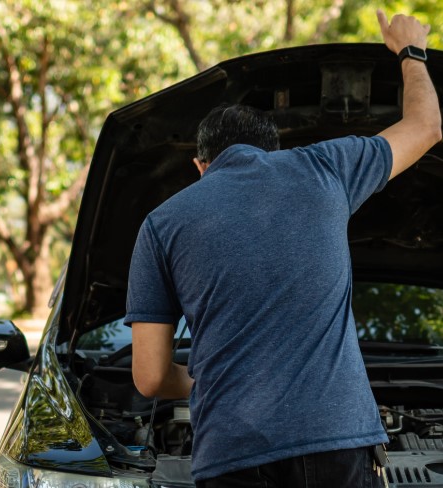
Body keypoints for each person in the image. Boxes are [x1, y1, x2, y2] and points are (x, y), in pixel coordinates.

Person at [124, 10, 441, 488]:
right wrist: (410, 51)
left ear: (199, 165)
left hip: (232, 453)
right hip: (338, 441)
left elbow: (149, 378)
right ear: (272, 149)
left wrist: (207, 381)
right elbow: (426, 127)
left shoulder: (161, 223)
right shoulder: (324, 168)